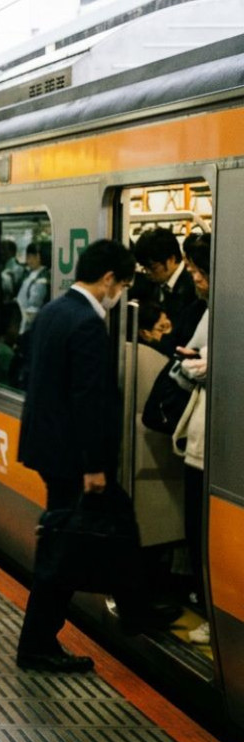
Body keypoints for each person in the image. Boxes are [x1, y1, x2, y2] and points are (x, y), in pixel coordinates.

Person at [16, 239, 179, 673]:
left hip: (49, 448)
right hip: (73, 457)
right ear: (109, 279)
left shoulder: (54, 311)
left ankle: (135, 609)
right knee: (66, 549)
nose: (121, 294)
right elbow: (88, 399)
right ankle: (38, 644)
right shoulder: (88, 322)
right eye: (123, 284)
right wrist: (94, 467)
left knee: (106, 524)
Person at [174, 237, 210, 642]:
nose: (195, 280)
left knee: (202, 525)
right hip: (200, 438)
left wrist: (201, 366)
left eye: (199, 271)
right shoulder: (209, 309)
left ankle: (209, 611)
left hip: (209, 440)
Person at [129, 228, 197, 333]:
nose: (148, 273)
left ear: (171, 259)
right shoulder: (155, 284)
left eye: (153, 267)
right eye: (145, 268)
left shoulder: (192, 288)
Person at [16, 241, 51, 334]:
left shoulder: (43, 277)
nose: (28, 261)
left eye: (30, 257)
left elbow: (35, 303)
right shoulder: (28, 273)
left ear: (39, 257)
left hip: (31, 321)